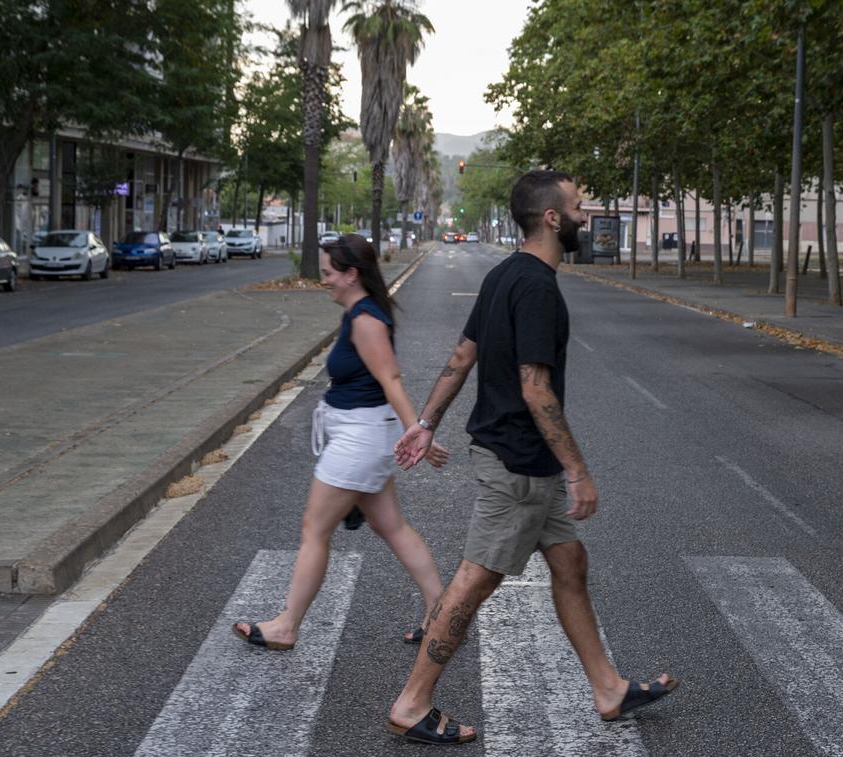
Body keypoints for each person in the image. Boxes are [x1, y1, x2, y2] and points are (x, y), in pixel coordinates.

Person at [385, 171, 677, 746]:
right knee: (474, 580)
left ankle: (608, 688)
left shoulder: (503, 275)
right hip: (519, 464)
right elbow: (536, 388)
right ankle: (412, 701)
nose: (585, 216)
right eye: (578, 207)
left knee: (570, 563)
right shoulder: (537, 287)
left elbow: (462, 355)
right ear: (551, 218)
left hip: (525, 463)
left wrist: (425, 422)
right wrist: (578, 470)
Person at [234, 233, 448, 650]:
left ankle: (286, 626)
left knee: (315, 530)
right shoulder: (359, 313)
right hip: (363, 433)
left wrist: (418, 431)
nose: (324, 280)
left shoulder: (367, 320)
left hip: (359, 439)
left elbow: (391, 380)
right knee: (390, 526)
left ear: (352, 274)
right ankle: (441, 615)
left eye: (329, 273)